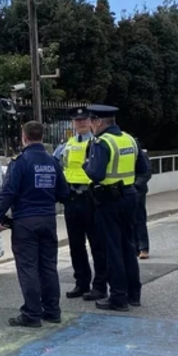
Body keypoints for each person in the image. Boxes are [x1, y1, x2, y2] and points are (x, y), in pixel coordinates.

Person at [0, 121, 71, 328]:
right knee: (48, 267)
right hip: (47, 220)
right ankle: (52, 311)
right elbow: (64, 193)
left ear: (24, 137)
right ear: (42, 137)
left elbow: (8, 192)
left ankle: (32, 314)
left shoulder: (20, 162)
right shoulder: (53, 162)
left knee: (28, 268)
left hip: (25, 221)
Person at [82, 105, 149, 312]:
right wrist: (129, 187)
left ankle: (118, 297)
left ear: (99, 122)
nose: (90, 126)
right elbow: (144, 170)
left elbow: (97, 174)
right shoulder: (129, 139)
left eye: (91, 122)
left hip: (108, 201)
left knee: (112, 250)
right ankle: (133, 294)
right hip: (129, 198)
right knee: (128, 246)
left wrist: (86, 165)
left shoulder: (102, 142)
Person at [54, 107, 108, 302]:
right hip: (72, 198)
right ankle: (81, 283)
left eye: (84, 120)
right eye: (77, 121)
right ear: (73, 123)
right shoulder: (66, 145)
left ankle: (100, 285)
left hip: (91, 197)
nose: (81, 123)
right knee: (76, 245)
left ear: (91, 121)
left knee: (97, 244)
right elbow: (57, 166)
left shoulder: (98, 143)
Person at [134, 148, 153, 259]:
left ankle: (143, 248)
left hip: (138, 190)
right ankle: (134, 247)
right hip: (124, 190)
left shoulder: (141, 153)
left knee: (139, 219)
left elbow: (147, 172)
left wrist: (136, 185)